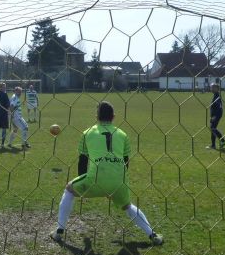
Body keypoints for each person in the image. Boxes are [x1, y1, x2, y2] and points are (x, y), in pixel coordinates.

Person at [51, 101, 163, 245]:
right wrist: (115, 183)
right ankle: (152, 234)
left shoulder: (87, 133)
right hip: (119, 181)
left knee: (69, 189)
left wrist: (84, 188)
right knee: (128, 206)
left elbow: (83, 162)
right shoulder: (123, 134)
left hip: (95, 179)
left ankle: (59, 231)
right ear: (114, 117)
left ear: (96, 116)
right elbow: (126, 162)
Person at [208, 83, 225, 149]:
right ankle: (215, 144)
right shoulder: (216, 95)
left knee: (213, 128)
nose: (211, 89)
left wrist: (214, 116)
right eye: (211, 87)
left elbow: (219, 106)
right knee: (212, 128)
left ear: (216, 88)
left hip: (217, 114)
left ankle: (222, 141)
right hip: (216, 114)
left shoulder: (217, 96)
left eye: (213, 87)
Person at [0, 82, 10, 147]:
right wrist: (8, 111)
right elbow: (8, 104)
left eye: (5, 87)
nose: (5, 88)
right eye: (4, 87)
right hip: (3, 114)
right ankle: (2, 144)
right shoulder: (5, 94)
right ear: (0, 88)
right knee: (3, 129)